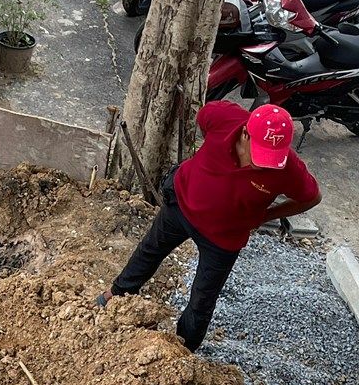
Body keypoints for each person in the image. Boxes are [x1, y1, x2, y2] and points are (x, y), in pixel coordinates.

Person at [100, 102, 319, 351]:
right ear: (246, 133)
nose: (264, 164)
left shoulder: (288, 167)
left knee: (203, 297)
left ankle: (183, 349)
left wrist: (265, 216)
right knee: (150, 250)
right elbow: (202, 118)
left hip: (223, 237)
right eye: (260, 153)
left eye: (272, 157)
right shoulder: (224, 118)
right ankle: (116, 295)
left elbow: (312, 197)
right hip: (182, 204)